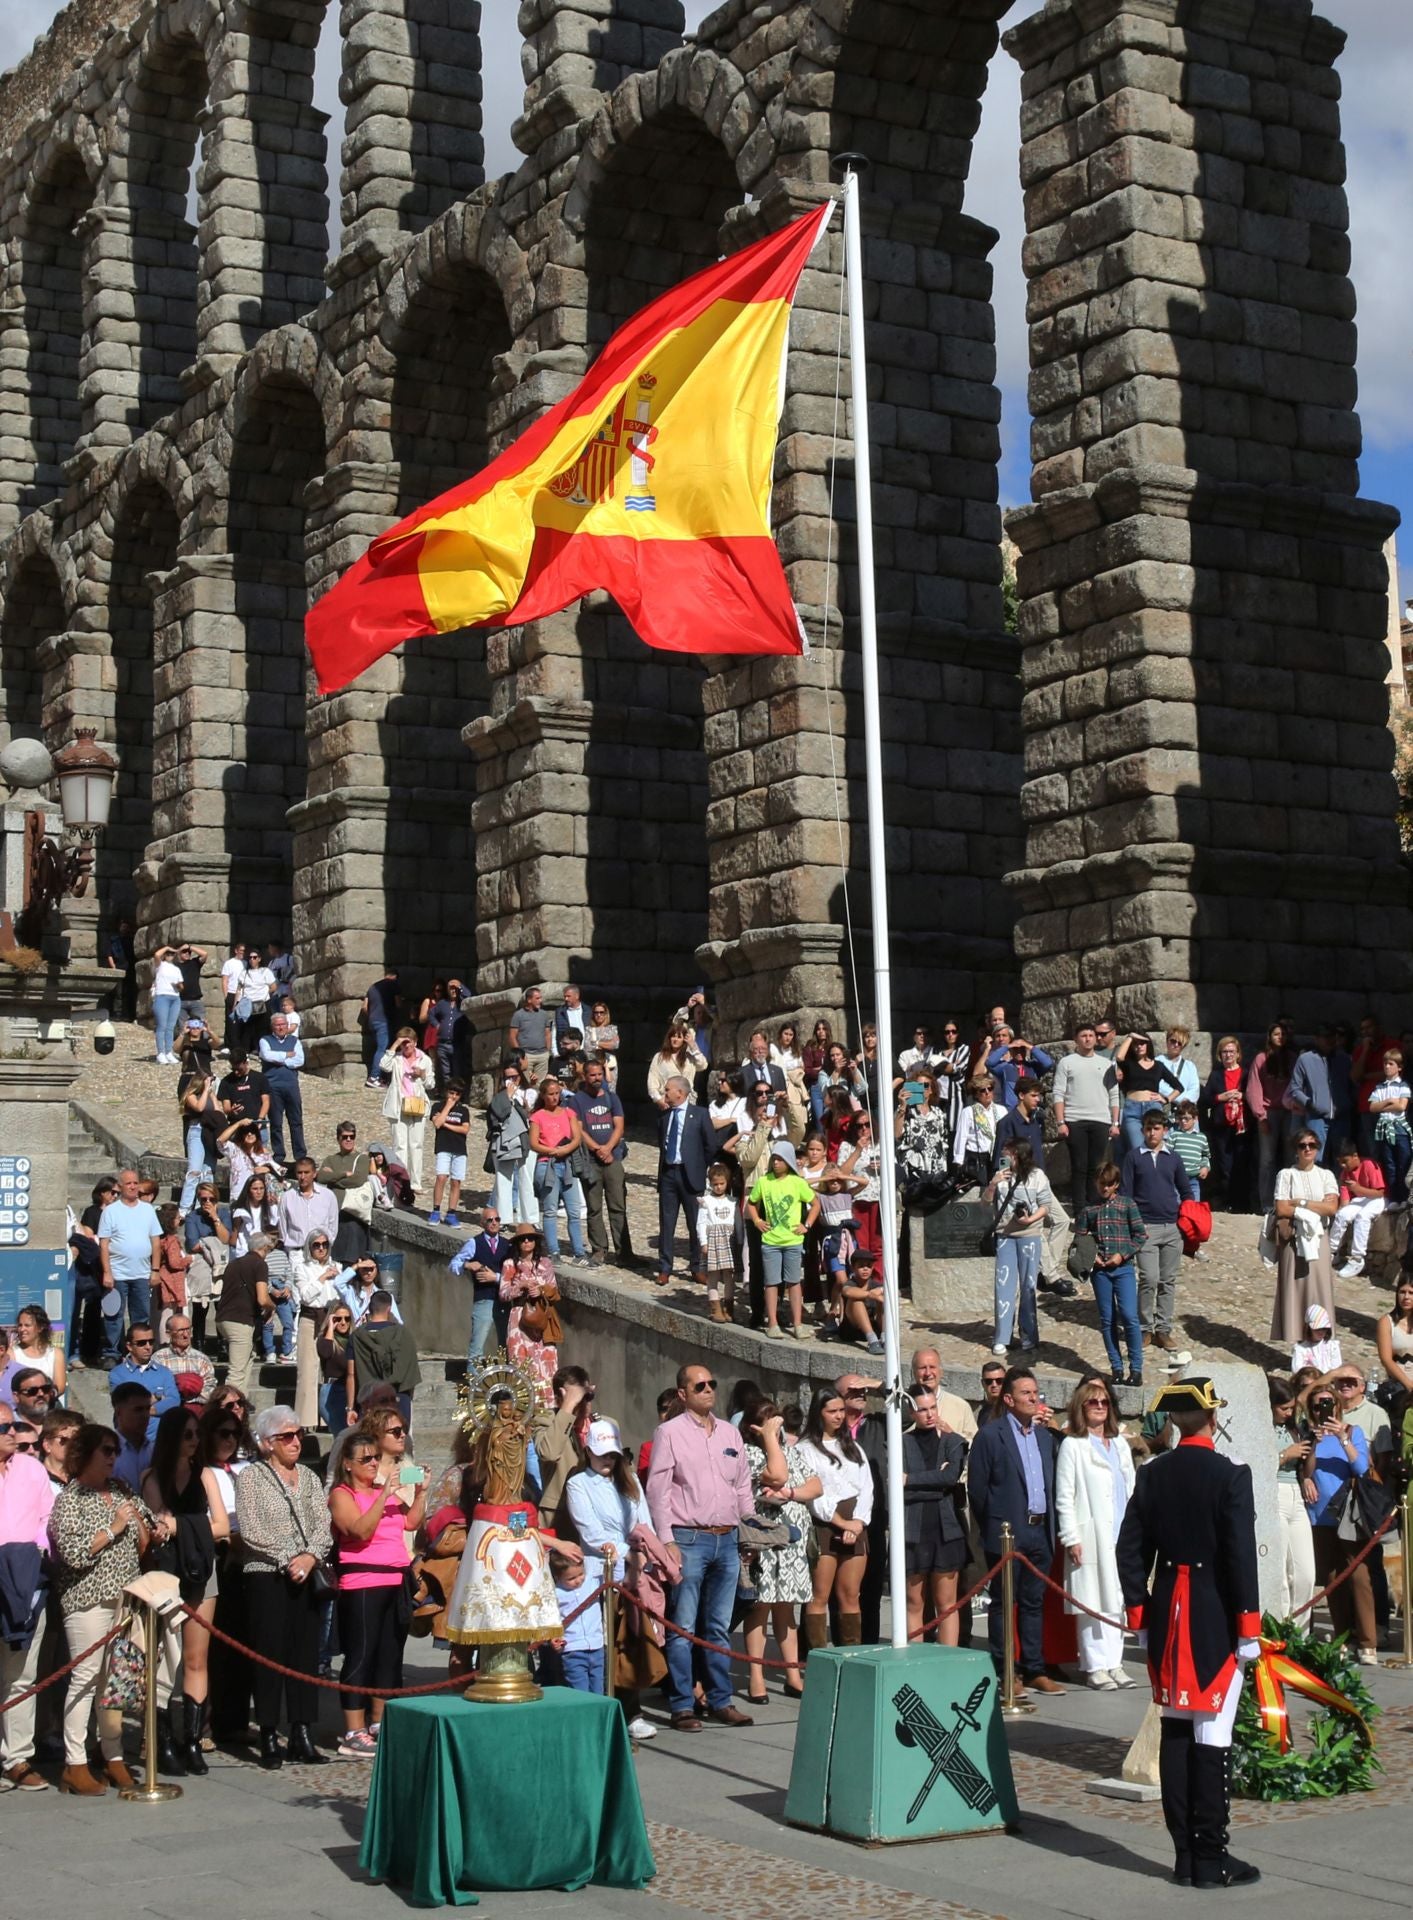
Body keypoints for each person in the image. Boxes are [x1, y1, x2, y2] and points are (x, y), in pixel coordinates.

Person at [1116, 1377, 1262, 1890]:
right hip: (1212, 1616)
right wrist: (1248, 1626)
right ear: (1213, 1419)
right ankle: (1211, 1857)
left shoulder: (1154, 1475)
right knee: (1212, 1733)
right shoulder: (1230, 1475)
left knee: (1176, 1730)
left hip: (1168, 1617)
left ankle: (1184, 1857)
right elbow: (1240, 1556)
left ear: (1175, 1422)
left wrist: (1139, 1616)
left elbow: (1129, 1549)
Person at [48, 1424, 166, 1794]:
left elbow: (145, 1529)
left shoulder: (121, 1490)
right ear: (84, 1454)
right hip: (87, 1600)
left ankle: (112, 1756)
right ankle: (75, 1762)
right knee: (84, 1679)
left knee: (113, 1682)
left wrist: (156, 1527)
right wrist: (115, 1528)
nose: (113, 1457)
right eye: (106, 1450)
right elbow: (74, 1554)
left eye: (116, 1450)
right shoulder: (71, 1498)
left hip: (126, 1599)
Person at [644, 1362, 754, 1732]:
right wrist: (667, 1539)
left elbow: (742, 1487)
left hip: (727, 1539)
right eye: (700, 1385)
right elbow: (657, 1490)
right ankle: (682, 1704)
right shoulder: (669, 1433)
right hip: (688, 1538)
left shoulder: (729, 1433)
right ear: (683, 1393)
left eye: (712, 1383)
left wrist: (750, 1530)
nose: (708, 1390)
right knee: (683, 1626)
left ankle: (720, 1699)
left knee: (719, 1626)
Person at [235, 1406, 332, 1769]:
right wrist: (290, 1557)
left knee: (305, 1653)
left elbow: (323, 1522)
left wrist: (310, 1557)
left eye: (298, 1434)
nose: (295, 1441)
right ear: (266, 1444)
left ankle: (302, 1731)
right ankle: (268, 1731)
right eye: (286, 1436)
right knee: (270, 1654)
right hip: (267, 1574)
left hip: (307, 1574)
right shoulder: (251, 1479)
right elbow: (251, 1530)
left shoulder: (307, 1476)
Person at [967, 1366, 1064, 1696]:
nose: (1033, 1398)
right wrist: (995, 1525)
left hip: (1040, 1531)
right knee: (1004, 1602)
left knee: (1033, 1602)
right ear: (1008, 1399)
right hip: (1007, 1531)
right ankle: (1005, 1669)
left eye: (1036, 1392)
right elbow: (978, 1491)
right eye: (1026, 1393)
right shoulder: (991, 1436)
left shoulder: (1043, 1436)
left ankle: (1034, 1667)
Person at [328, 1425, 425, 1757]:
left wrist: (421, 1492)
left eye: (374, 1457)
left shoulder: (385, 1492)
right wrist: (383, 1495)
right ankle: (353, 1730)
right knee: (362, 1653)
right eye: (365, 1458)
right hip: (363, 1582)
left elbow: (409, 1523)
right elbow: (359, 1530)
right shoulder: (343, 1494)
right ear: (348, 1465)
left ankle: (379, 1722)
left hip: (394, 1579)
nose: (372, 1463)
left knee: (389, 1655)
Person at [141, 1405, 227, 1776]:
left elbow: (222, 1525)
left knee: (196, 1659)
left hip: (200, 1572)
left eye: (197, 1434)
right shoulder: (152, 1476)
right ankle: (160, 1739)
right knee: (162, 1661)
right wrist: (185, 1526)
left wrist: (178, 1526)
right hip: (165, 1576)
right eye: (188, 1434)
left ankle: (192, 1739)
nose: (194, 1441)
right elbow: (155, 1522)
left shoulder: (204, 1475)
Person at [563, 1419, 660, 1739]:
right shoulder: (578, 1483)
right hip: (598, 1574)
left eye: (613, 1454)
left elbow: (643, 1521)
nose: (608, 1460)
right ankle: (600, 1708)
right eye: (602, 1453)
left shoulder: (630, 1479)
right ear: (588, 1450)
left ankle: (631, 1712)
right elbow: (591, 1532)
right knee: (602, 1644)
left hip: (633, 1573)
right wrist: (627, 1551)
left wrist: (644, 1552)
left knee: (628, 1642)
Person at [1055, 1379, 1136, 1690]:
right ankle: (1094, 1665)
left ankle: (1115, 1663)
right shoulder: (1073, 1446)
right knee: (1091, 1601)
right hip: (1089, 1533)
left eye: (1104, 1402)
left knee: (1116, 1600)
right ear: (1081, 1407)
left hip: (1120, 1532)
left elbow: (1130, 1490)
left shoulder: (1119, 1445)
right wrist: (1070, 1537)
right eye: (1093, 1402)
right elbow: (1065, 1495)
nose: (1100, 1407)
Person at [737, 1404, 815, 1701]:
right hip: (763, 1539)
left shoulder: (790, 1449)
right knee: (760, 1606)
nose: (777, 1428)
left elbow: (814, 1484)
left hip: (792, 1543)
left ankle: (792, 1674)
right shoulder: (750, 1453)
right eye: (770, 1423)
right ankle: (755, 1675)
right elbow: (778, 1476)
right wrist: (769, 1439)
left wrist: (791, 1494)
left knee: (787, 1607)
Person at [0, 1395, 58, 1791]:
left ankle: (16, 1757)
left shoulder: (31, 1468)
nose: (14, 1434)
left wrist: (35, 1554)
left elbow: (47, 1516)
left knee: (20, 1673)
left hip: (23, 1578)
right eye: (5, 1429)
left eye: (13, 1426)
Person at [794, 1385, 874, 1651]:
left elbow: (867, 1486)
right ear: (820, 1413)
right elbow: (813, 1494)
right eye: (832, 1411)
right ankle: (817, 1656)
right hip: (824, 1524)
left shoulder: (852, 1447)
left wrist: (859, 1522)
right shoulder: (806, 1449)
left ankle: (850, 1653)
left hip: (855, 1521)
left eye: (841, 1410)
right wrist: (840, 1522)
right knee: (819, 1595)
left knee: (850, 1594)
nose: (839, 1416)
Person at [1302, 1377, 1375, 1662]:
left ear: (1338, 1405)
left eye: (1329, 1403)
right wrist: (1314, 1442)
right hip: (1320, 1512)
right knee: (1332, 1577)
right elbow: (1306, 1471)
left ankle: (1368, 1641)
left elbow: (1360, 1468)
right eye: (1319, 1404)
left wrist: (1342, 1439)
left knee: (1359, 1575)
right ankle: (1343, 1635)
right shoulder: (1309, 1434)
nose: (1325, 1409)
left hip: (1348, 1512)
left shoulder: (1352, 1431)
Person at [1120, 1109, 1189, 1368]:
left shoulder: (1174, 1158)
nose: (1152, 1133)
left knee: (1167, 1280)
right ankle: (1144, 1328)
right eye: (1148, 1128)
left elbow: (1185, 1189)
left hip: (1172, 1227)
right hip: (1145, 1227)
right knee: (1148, 1278)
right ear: (1143, 1130)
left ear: (1165, 1130)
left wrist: (1186, 1219)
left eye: (1157, 1128)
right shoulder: (1133, 1157)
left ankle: (1163, 1329)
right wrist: (1134, 1225)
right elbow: (1126, 1193)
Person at [901, 1387, 968, 1647]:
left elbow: (950, 1478)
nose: (929, 1414)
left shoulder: (953, 1441)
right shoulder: (902, 1443)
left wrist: (912, 1481)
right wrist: (936, 1483)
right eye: (922, 1409)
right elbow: (895, 1485)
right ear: (911, 1412)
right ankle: (913, 1658)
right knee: (914, 1600)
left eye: (932, 1408)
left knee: (946, 1603)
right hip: (914, 1528)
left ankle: (948, 1658)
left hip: (945, 1528)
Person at [1268, 1129, 1338, 1347]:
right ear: (1296, 1149)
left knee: (1320, 1288)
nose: (1307, 1149)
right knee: (1294, 1290)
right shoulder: (1286, 1175)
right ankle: (1298, 1342)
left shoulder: (1326, 1175)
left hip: (1319, 1239)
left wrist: (1301, 1202)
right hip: (1294, 1238)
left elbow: (1332, 1208)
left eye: (1312, 1145)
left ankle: (1322, 1343)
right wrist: (1316, 1206)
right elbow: (1281, 1207)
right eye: (1302, 1145)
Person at [983, 1139, 1052, 1359]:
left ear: (1018, 1155)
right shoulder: (1001, 1176)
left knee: (1028, 1286)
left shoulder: (1037, 1176)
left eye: (1008, 1154)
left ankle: (1028, 1336)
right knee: (1003, 1287)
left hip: (1029, 1236)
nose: (1004, 1158)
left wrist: (1030, 1218)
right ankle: (1002, 1336)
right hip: (1005, 1236)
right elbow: (985, 1203)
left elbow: (1046, 1205)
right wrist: (993, 1184)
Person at [744, 1141, 819, 1340]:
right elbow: (751, 1203)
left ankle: (797, 1323)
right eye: (774, 1159)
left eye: (780, 1159)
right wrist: (757, 1220)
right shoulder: (764, 1182)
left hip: (793, 1241)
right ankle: (773, 1322)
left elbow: (815, 1203)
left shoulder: (797, 1182)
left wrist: (807, 1225)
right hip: (770, 1241)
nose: (776, 1163)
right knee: (771, 1283)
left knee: (794, 1282)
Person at [1081, 1161, 1146, 1387]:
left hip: (1123, 1269)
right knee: (1107, 1319)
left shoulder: (1127, 1205)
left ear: (1116, 1184)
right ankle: (1116, 1368)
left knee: (1129, 1316)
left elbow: (1140, 1235)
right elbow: (1080, 1240)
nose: (1104, 1189)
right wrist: (1092, 1257)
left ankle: (1136, 1369)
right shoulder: (1090, 1209)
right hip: (1100, 1273)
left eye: (1108, 1185)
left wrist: (1122, 1255)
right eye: (1101, 1184)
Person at [655, 1073, 717, 1288]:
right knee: (667, 1222)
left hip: (691, 1175)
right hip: (669, 1174)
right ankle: (664, 1267)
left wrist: (700, 1167)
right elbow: (661, 1144)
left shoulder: (699, 1114)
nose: (665, 1093)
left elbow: (710, 1146)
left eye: (667, 1090)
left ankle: (697, 1267)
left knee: (695, 1224)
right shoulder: (664, 1117)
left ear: (680, 1093)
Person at [569, 1059, 632, 1267]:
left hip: (612, 1157)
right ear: (585, 1076)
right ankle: (599, 1249)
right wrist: (597, 1148)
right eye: (592, 1075)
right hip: (591, 1160)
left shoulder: (612, 1099)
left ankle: (624, 1252)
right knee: (594, 1207)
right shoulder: (577, 1101)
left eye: (599, 1075)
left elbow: (619, 1126)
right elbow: (578, 1130)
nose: (597, 1079)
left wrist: (608, 1148)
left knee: (618, 1205)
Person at [97, 1169, 162, 1367]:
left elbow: (156, 1241)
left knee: (141, 1315)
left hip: (142, 1273)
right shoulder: (111, 1211)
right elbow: (104, 1244)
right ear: (121, 1186)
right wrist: (107, 1272)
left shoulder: (147, 1210)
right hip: (117, 1273)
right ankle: (111, 1352)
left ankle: (138, 1352)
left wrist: (155, 1269)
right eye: (129, 1183)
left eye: (135, 1183)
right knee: (114, 1314)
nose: (133, 1186)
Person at [528, 1074, 591, 1265]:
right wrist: (552, 1151)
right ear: (544, 1096)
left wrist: (565, 1149)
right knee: (550, 1210)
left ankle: (579, 1251)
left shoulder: (568, 1113)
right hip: (548, 1165)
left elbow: (576, 1137)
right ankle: (553, 1251)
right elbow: (533, 1143)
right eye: (551, 1094)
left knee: (573, 1210)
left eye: (557, 1094)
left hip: (568, 1164)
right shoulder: (537, 1116)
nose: (555, 1098)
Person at [1268, 1375, 1316, 1619]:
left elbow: (1306, 1468)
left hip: (1295, 1493)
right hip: (1274, 1491)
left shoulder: (1295, 1427)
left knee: (1306, 1572)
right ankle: (1282, 1631)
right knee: (1281, 1572)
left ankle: (1301, 1632)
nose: (1288, 1413)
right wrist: (1285, 1455)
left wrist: (1312, 1446)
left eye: (1291, 1408)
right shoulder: (1261, 1428)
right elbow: (1257, 1466)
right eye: (1283, 1408)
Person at [500, 1226, 560, 1404]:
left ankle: (547, 1405)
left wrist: (540, 1290)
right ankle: (523, 1404)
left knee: (544, 1359)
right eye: (523, 1239)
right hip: (519, 1316)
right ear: (518, 1243)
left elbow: (554, 1290)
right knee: (520, 1360)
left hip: (541, 1316)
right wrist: (520, 1287)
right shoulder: (510, 1264)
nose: (527, 1242)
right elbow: (503, 1293)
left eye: (530, 1239)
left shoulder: (545, 1263)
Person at [345, 1290, 421, 1428]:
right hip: (398, 1398)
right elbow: (410, 1373)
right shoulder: (403, 1334)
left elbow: (351, 1374)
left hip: (368, 1400)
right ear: (389, 1308)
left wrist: (351, 1408)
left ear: (369, 1308)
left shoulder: (356, 1337)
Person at [378, 1028, 436, 1197]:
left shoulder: (424, 1059)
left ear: (415, 1042)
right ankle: (400, 1181)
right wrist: (395, 1044)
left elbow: (431, 1084)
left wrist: (423, 1074)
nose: (405, 1046)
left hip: (417, 1105)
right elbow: (383, 1065)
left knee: (416, 1145)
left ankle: (416, 1182)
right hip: (398, 1106)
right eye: (402, 1043)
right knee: (399, 1145)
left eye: (407, 1042)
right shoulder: (396, 1059)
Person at [449, 1207, 510, 1363]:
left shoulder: (508, 1245)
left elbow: (514, 1276)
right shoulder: (474, 1243)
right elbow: (453, 1264)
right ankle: (473, 1382)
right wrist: (467, 1265)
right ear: (482, 1223)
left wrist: (495, 1277)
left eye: (497, 1219)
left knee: (506, 1344)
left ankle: (505, 1379)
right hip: (484, 1299)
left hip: (505, 1299)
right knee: (477, 1344)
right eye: (490, 1220)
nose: (494, 1223)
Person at [216, 1234, 274, 1395]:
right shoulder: (259, 1264)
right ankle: (228, 1409)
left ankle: (242, 1399)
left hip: (223, 1318)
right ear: (264, 1248)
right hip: (240, 1321)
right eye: (268, 1250)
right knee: (236, 1371)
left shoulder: (233, 1264)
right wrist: (272, 1306)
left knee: (249, 1356)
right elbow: (263, 1299)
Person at [1247, 1021, 1296, 1210]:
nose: (1280, 1037)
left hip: (1289, 1111)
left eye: (1283, 1034)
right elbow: (1254, 1088)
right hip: (1269, 1112)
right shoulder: (1261, 1058)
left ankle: (1288, 1200)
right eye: (1276, 1034)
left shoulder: (1292, 1058)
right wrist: (1261, 1116)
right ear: (1270, 1036)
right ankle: (1266, 1204)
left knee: (1290, 1156)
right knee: (1267, 1160)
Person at [1113, 1031, 1185, 1159]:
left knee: (1154, 1147)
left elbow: (1179, 1087)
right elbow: (1119, 1057)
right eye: (1136, 1044)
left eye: (1142, 1043)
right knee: (1136, 1148)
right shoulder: (1129, 1064)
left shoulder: (1158, 1066)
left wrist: (1166, 1099)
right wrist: (1130, 1037)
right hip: (1132, 1109)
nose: (1139, 1046)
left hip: (1153, 1107)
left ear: (1148, 1045)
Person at [1201, 1035, 1249, 1210]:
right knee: (1225, 1166)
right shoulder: (1216, 1075)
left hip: (1242, 1127)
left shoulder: (1246, 1074)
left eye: (1231, 1051)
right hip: (1222, 1127)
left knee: (1242, 1165)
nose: (1228, 1055)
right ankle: (1227, 1202)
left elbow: (1253, 1094)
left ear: (1237, 1054)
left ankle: (1242, 1204)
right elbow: (1205, 1099)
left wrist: (1242, 1096)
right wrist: (1220, 1097)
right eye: (1224, 1052)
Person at [315, 1121, 373, 1262]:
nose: (348, 1140)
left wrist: (333, 1177)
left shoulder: (362, 1159)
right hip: (335, 1214)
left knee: (353, 1260)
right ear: (338, 1138)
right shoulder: (330, 1159)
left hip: (354, 1215)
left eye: (351, 1137)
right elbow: (321, 1177)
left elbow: (357, 1180)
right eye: (345, 1137)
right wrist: (344, 1174)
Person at [258, 1012, 307, 1161]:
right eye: (278, 1025)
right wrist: (287, 1055)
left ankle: (300, 1155)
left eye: (283, 1024)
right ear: (272, 1026)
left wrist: (280, 1058)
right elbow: (266, 1055)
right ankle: (279, 1154)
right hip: (273, 1086)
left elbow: (299, 1060)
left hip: (291, 1085)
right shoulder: (265, 1040)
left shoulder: (294, 1040)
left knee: (296, 1121)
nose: (281, 1027)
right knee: (276, 1122)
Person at [1332, 1142, 1385, 1279]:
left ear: (1355, 1156)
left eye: (1345, 1161)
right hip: (1360, 1200)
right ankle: (1332, 1252)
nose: (1343, 1166)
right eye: (1340, 1163)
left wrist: (1358, 1189)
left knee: (1363, 1217)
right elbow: (1345, 1201)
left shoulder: (1368, 1165)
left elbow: (1380, 1193)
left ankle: (1357, 1258)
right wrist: (1342, 1209)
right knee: (1342, 1215)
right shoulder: (1345, 1173)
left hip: (1376, 1200)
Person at [696, 1160, 739, 1324]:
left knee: (729, 1275)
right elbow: (701, 1223)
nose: (719, 1187)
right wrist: (703, 1242)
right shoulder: (706, 1201)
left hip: (728, 1240)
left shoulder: (732, 1201)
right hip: (713, 1240)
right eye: (715, 1184)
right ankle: (715, 1308)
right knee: (713, 1275)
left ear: (727, 1183)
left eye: (722, 1184)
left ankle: (729, 1306)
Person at [1366, 1047, 1412, 1202]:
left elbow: (1401, 1106)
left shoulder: (1403, 1085)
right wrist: (1389, 1101)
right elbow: (1372, 1107)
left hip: (1399, 1130)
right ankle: (1394, 1199)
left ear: (1399, 1067)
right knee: (1389, 1164)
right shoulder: (1380, 1087)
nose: (1386, 1067)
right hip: (1385, 1129)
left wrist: (1384, 1105)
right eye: (1385, 1063)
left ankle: (1405, 1197)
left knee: (1403, 1164)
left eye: (1391, 1064)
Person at [428, 1080, 471, 1225]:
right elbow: (437, 1122)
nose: (453, 1096)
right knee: (441, 1177)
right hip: (443, 1147)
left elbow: (465, 1129)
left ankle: (451, 1212)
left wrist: (446, 1124)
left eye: (457, 1094)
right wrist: (448, 1106)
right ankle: (436, 1210)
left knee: (456, 1181)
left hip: (459, 1149)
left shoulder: (464, 1111)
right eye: (451, 1093)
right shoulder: (437, 1106)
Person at [153, 1313, 216, 1402]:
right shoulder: (158, 1358)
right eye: (181, 1330)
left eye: (188, 1329)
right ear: (168, 1333)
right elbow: (155, 1387)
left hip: (196, 1408)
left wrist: (191, 1401)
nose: (186, 1335)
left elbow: (210, 1387)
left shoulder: (201, 1359)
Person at [11, 1304, 66, 1403]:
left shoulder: (56, 1353)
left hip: (49, 1406)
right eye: (20, 1325)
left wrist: (44, 1396)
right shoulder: (12, 1353)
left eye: (27, 1325)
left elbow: (60, 1386)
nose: (22, 1329)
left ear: (40, 1328)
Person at [647, 1022, 708, 1109]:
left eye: (679, 1037)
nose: (675, 1039)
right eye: (673, 1036)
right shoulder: (659, 1057)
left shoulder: (689, 1057)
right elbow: (652, 1083)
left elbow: (703, 1065)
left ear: (684, 1040)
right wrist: (658, 1100)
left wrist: (693, 1046)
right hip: (667, 1102)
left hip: (687, 1102)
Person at [361, 967, 400, 1087]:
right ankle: (374, 1077)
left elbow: (364, 1007)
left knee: (379, 1048)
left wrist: (372, 1015)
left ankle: (381, 1078)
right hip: (384, 1021)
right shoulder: (394, 985)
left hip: (372, 1022)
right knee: (382, 1049)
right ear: (395, 977)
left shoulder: (373, 987)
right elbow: (398, 1003)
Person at [509, 987, 555, 1087]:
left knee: (540, 1085)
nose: (540, 1001)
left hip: (542, 1055)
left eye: (540, 998)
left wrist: (547, 1052)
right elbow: (512, 1036)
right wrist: (520, 1056)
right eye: (537, 998)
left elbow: (547, 1033)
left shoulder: (544, 1014)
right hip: (526, 1056)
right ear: (529, 1000)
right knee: (526, 1084)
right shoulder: (518, 1015)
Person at [150, 943, 184, 1063]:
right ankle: (161, 1053)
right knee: (162, 1026)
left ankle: (169, 1052)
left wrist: (178, 985)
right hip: (162, 996)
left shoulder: (176, 969)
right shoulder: (160, 965)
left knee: (170, 1027)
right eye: (168, 954)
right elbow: (156, 954)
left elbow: (181, 986)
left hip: (175, 997)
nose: (170, 956)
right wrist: (168, 948)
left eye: (172, 954)